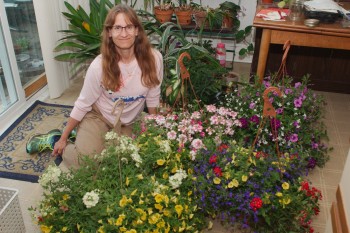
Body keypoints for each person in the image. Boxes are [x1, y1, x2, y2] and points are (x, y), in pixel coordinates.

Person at [51, 4, 163, 169]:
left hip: (127, 122)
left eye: (129, 27)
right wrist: (63, 137)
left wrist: (155, 129)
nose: (124, 33)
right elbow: (83, 103)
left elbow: (153, 96)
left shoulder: (154, 59)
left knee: (119, 164)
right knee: (87, 164)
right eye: (117, 27)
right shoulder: (99, 66)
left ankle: (85, 140)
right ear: (109, 32)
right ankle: (57, 140)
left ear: (137, 30)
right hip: (99, 116)